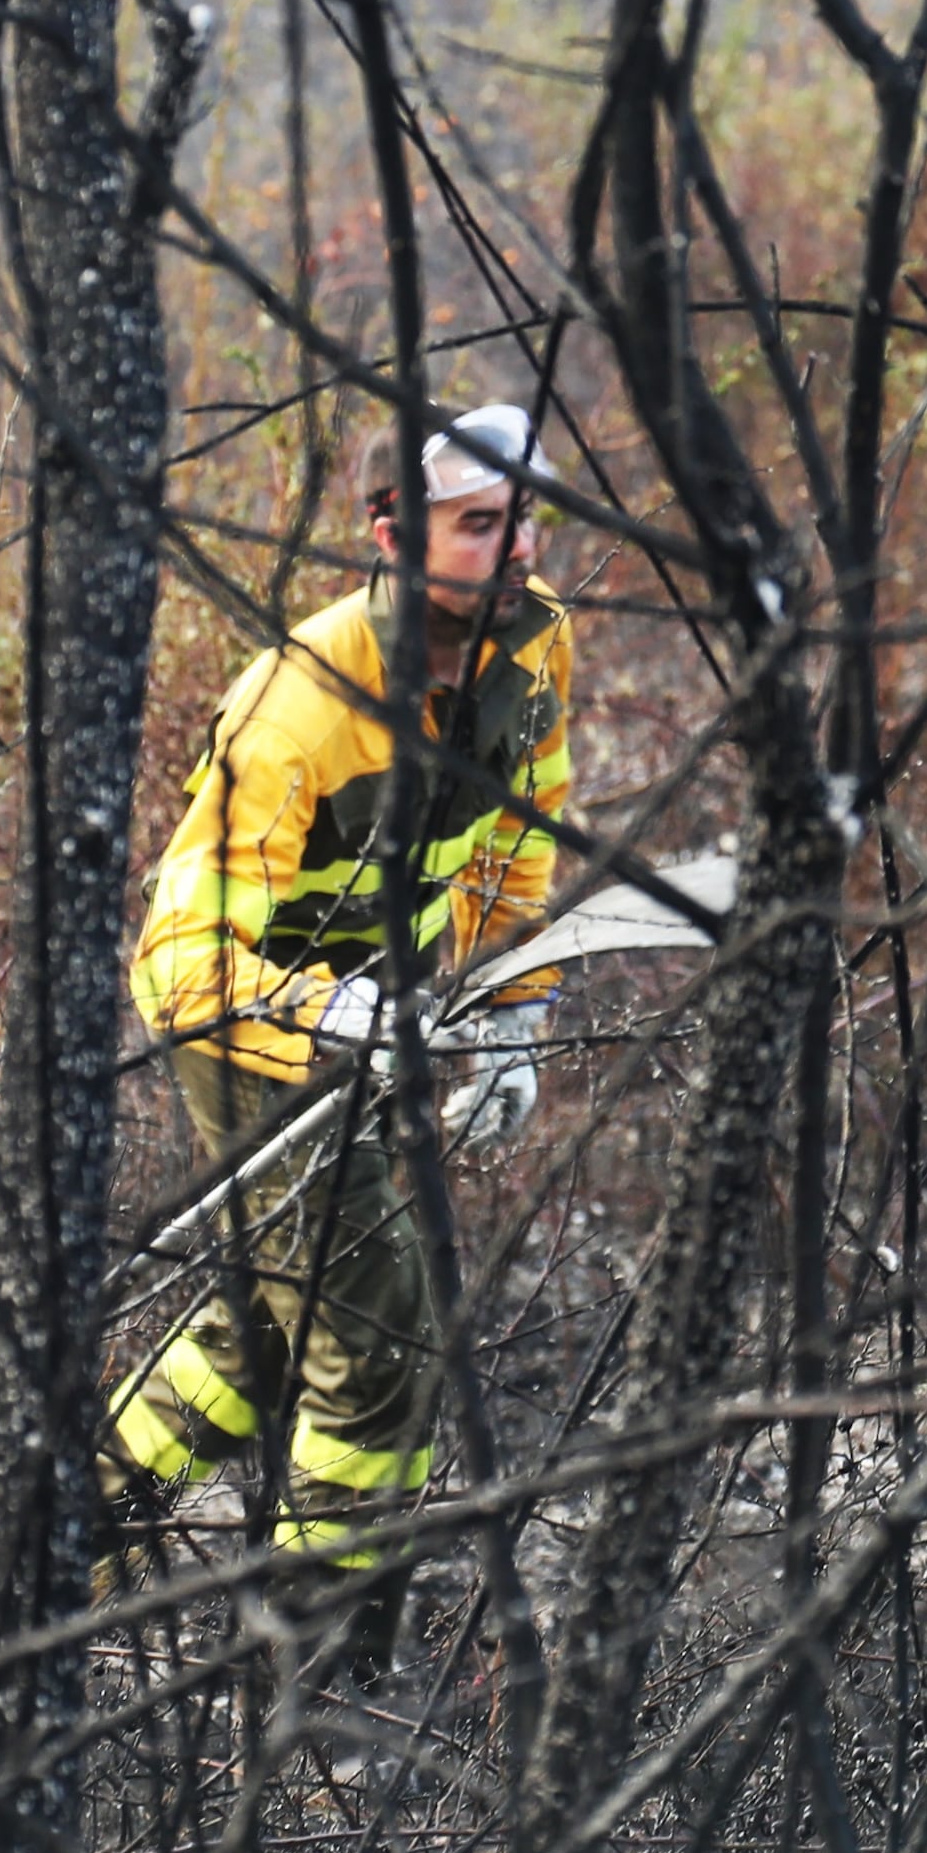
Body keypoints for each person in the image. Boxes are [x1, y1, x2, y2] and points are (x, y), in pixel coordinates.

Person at [105, 401, 576, 1610]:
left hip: (390, 1020)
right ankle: (324, 1660)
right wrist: (334, 1018)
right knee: (377, 1346)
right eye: (478, 525)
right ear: (391, 535)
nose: (515, 547)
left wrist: (513, 1015)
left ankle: (69, 1540)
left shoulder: (534, 648)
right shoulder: (298, 707)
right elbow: (178, 958)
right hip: (251, 1032)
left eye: (525, 517)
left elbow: (521, 845)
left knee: (265, 1329)